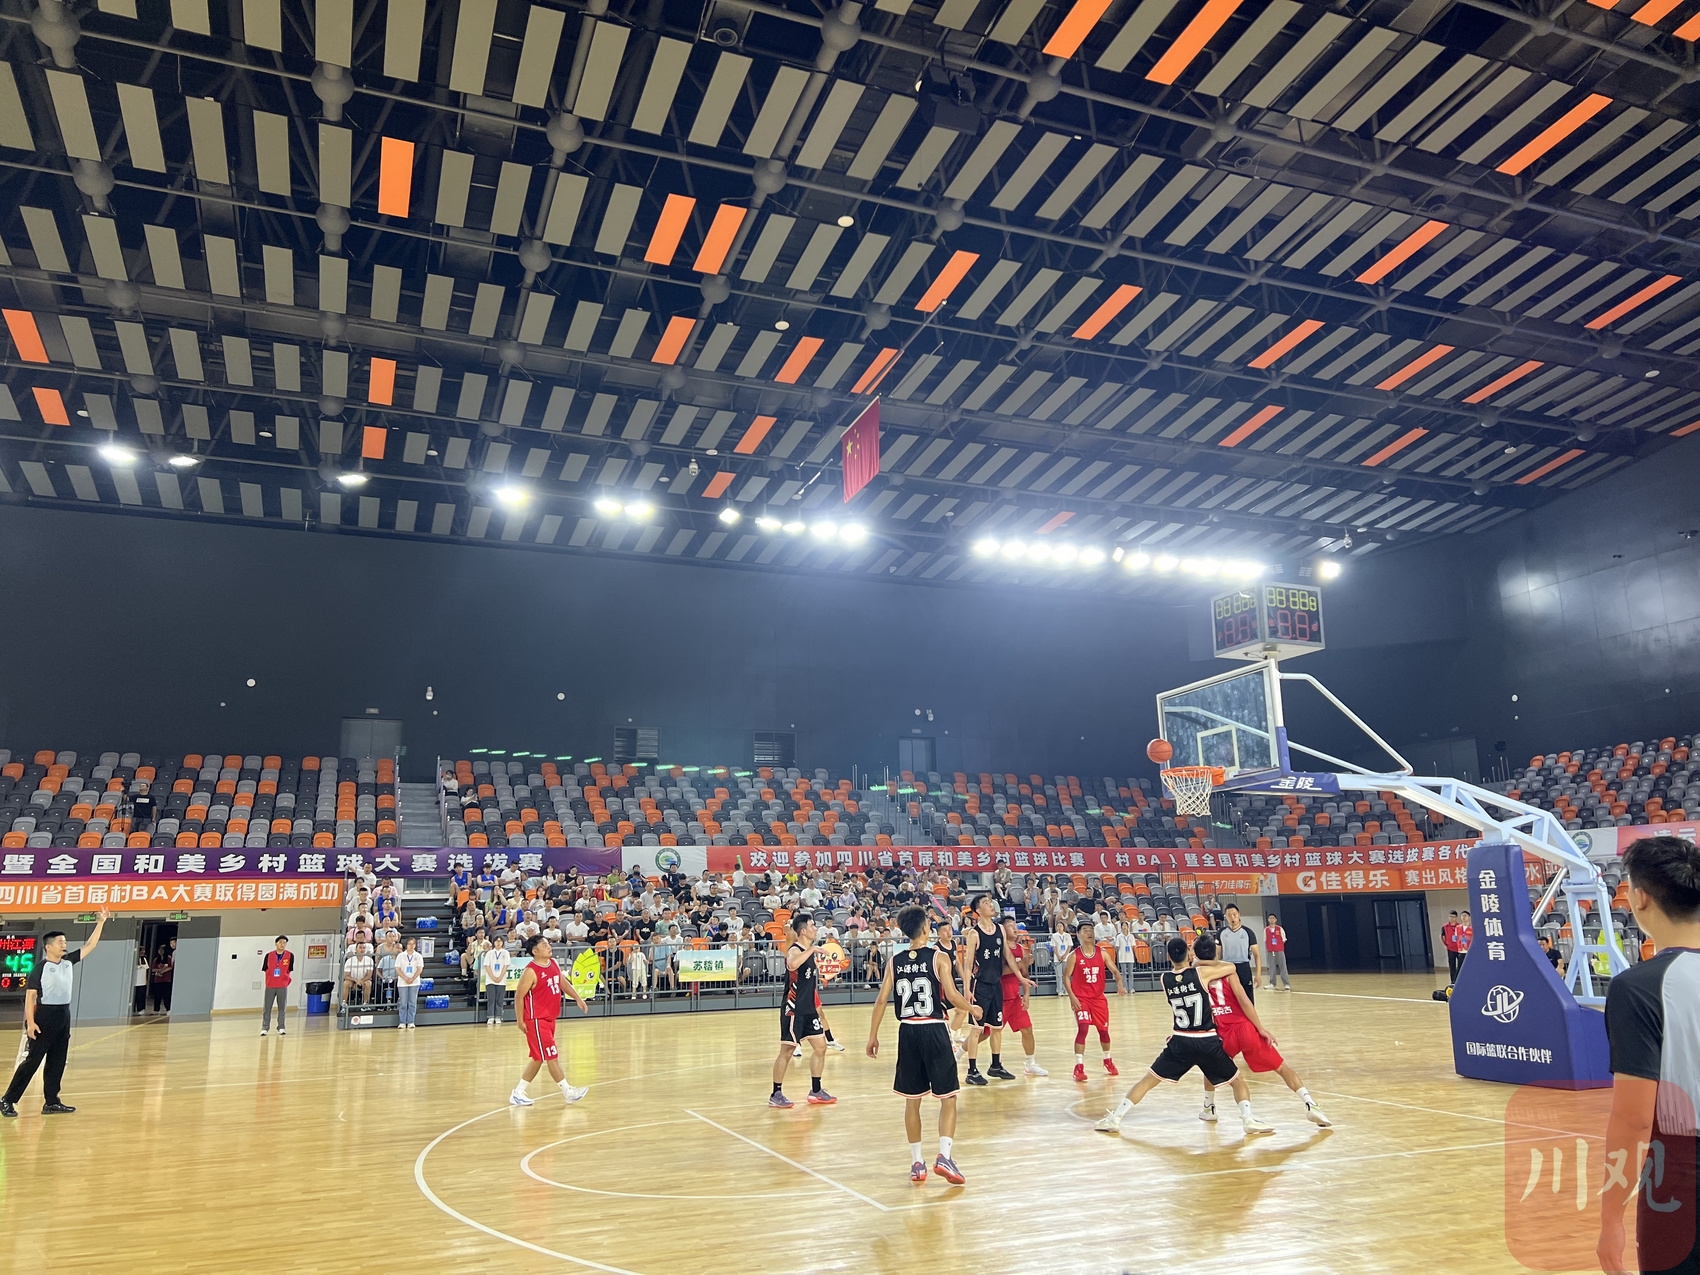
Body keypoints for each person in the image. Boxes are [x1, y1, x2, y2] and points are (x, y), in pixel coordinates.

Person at [1597, 835, 1700, 1275]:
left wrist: (1610, 1220)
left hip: (1681, 1178)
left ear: (1639, 898)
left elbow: (1634, 1119)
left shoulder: (1639, 987)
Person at [1094, 935, 1274, 1139]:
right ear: (1189, 954)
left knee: (1147, 1081)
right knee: (1237, 1081)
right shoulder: (1201, 973)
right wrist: (1200, 962)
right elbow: (1231, 967)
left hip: (1180, 1040)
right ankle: (1248, 1119)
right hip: (1207, 1040)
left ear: (1169, 957)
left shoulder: (1165, 979)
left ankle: (1115, 1118)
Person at [865, 904, 980, 1185]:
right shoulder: (939, 957)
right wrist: (972, 1009)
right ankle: (945, 1156)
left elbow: (880, 1000)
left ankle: (917, 1163)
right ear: (926, 928)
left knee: (912, 1100)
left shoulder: (894, 961)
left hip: (908, 1031)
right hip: (933, 1028)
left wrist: (873, 1036)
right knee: (948, 1097)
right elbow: (951, 995)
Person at [1192, 933, 1331, 1127]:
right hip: (1244, 1027)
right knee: (1281, 1067)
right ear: (1216, 952)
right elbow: (1244, 1001)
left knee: (1210, 1068)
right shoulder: (1228, 971)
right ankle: (1311, 1104)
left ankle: (1210, 1107)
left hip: (1222, 1033)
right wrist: (1261, 1028)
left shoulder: (1195, 975)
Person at [1, 907, 111, 1117]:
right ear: (49, 947)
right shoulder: (40, 968)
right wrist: (31, 1023)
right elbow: (30, 997)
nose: (64, 944)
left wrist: (101, 922)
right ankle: (7, 1100)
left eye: (65, 942)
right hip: (44, 1016)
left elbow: (91, 945)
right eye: (60, 942)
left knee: (57, 1061)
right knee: (33, 1061)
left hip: (63, 1015)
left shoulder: (68, 962)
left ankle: (51, 1101)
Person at [509, 934, 591, 1107]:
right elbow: (518, 996)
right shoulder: (530, 971)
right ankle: (568, 1092)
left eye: (548, 944)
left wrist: (577, 998)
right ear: (535, 951)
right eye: (544, 945)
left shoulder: (553, 963)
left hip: (549, 1019)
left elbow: (562, 982)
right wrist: (519, 1021)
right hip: (536, 1020)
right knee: (551, 1055)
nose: (549, 947)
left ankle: (518, 1092)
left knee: (539, 1057)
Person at [961, 893, 1030, 1086]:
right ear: (978, 910)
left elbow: (1008, 956)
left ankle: (996, 1065)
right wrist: (967, 990)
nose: (991, 905)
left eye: (991, 902)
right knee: (977, 1029)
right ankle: (972, 1071)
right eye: (986, 903)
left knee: (997, 1028)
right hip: (980, 986)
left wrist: (1020, 977)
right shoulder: (974, 934)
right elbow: (968, 964)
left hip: (996, 985)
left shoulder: (999, 929)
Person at [770, 913, 835, 1108]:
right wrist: (813, 949)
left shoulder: (808, 951)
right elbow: (792, 964)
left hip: (808, 1009)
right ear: (804, 931)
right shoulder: (795, 950)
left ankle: (816, 1090)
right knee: (787, 1050)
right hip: (793, 1008)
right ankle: (776, 1093)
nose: (816, 928)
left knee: (821, 1047)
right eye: (812, 925)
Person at [1065, 916, 1126, 1082]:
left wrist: (1120, 983)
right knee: (1083, 1028)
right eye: (1085, 930)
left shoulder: (1102, 953)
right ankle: (1079, 1067)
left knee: (1103, 1031)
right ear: (1079, 935)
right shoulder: (1074, 956)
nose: (1089, 933)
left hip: (1098, 999)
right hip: (1082, 998)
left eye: (1091, 930)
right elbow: (1066, 977)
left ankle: (1107, 1060)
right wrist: (1072, 997)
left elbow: (1115, 971)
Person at [1001, 915, 1046, 1076]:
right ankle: (960, 1054)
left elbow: (1025, 974)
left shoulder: (1020, 949)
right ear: (1002, 929)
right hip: (999, 998)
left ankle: (1030, 1063)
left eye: (1015, 925)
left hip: (1014, 998)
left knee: (1027, 1029)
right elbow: (999, 972)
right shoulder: (999, 947)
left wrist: (1026, 994)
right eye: (1010, 925)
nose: (1014, 928)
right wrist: (1020, 964)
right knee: (984, 1034)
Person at [1217, 904, 1259, 1003]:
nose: (1232, 917)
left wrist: (1258, 974)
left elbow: (1257, 955)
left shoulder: (1248, 932)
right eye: (1229, 915)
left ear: (1239, 914)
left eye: (1234, 914)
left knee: (1247, 999)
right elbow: (1217, 955)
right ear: (1225, 917)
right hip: (1227, 968)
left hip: (1244, 968)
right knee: (1229, 998)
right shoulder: (1221, 932)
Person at [260, 937, 294, 1036]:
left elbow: (290, 969)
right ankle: (265, 1028)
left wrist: (285, 981)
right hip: (270, 985)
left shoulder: (290, 955)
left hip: (282, 986)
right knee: (267, 1008)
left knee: (282, 1008)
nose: (282, 944)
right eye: (280, 942)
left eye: (284, 942)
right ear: (276, 943)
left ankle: (281, 1027)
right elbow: (265, 969)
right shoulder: (268, 955)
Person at [482, 936, 512, 1025]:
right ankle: (490, 1017)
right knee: (491, 999)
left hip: (501, 980)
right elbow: (487, 966)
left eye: (500, 941)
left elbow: (506, 966)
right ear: (493, 942)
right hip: (490, 980)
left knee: (499, 999)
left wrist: (500, 977)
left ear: (503, 943)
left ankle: (498, 1016)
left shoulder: (505, 953)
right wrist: (493, 977)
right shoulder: (489, 953)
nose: (498, 943)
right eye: (496, 941)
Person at [395, 938, 424, 1030]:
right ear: (406, 945)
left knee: (412, 1002)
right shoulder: (400, 956)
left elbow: (420, 969)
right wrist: (405, 978)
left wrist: (412, 978)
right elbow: (398, 969)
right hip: (402, 982)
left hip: (414, 982)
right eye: (409, 944)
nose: (411, 946)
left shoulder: (418, 956)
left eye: (413, 944)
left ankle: (411, 1021)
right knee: (403, 1003)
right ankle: (402, 1022)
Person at [1264, 914, 1291, 990]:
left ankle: (1286, 984)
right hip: (1270, 951)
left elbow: (1284, 939)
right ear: (1268, 920)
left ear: (1276, 920)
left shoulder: (1280, 929)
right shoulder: (1266, 930)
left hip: (1279, 951)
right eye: (1270, 918)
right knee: (1271, 968)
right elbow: (1265, 940)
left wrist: (1278, 946)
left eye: (1273, 918)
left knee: (1283, 967)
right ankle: (1272, 983)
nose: (1272, 919)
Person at [150, 942, 175, 1012]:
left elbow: (170, 967)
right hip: (157, 980)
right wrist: (160, 970)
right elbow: (153, 969)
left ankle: (168, 1008)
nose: (160, 951)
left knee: (166, 995)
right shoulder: (156, 959)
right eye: (159, 950)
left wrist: (161, 971)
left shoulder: (169, 958)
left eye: (162, 950)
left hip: (166, 980)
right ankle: (156, 1009)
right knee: (157, 995)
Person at [1442, 911, 1465, 982]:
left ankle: (1460, 980)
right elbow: (1442, 936)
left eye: (1453, 917)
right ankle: (1453, 981)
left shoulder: (1460, 926)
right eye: (1450, 917)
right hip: (1450, 949)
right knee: (1452, 965)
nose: (1452, 918)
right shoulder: (1445, 927)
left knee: (1461, 965)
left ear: (1456, 917)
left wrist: (1464, 946)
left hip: (1459, 949)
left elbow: (1463, 937)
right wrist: (1444, 945)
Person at [132, 949, 148, 1015]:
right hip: (135, 982)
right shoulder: (134, 960)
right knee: (134, 996)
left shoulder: (144, 959)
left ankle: (141, 1009)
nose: (143, 953)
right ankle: (132, 1009)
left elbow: (146, 970)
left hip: (142, 981)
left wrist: (146, 979)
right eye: (141, 951)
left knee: (141, 996)